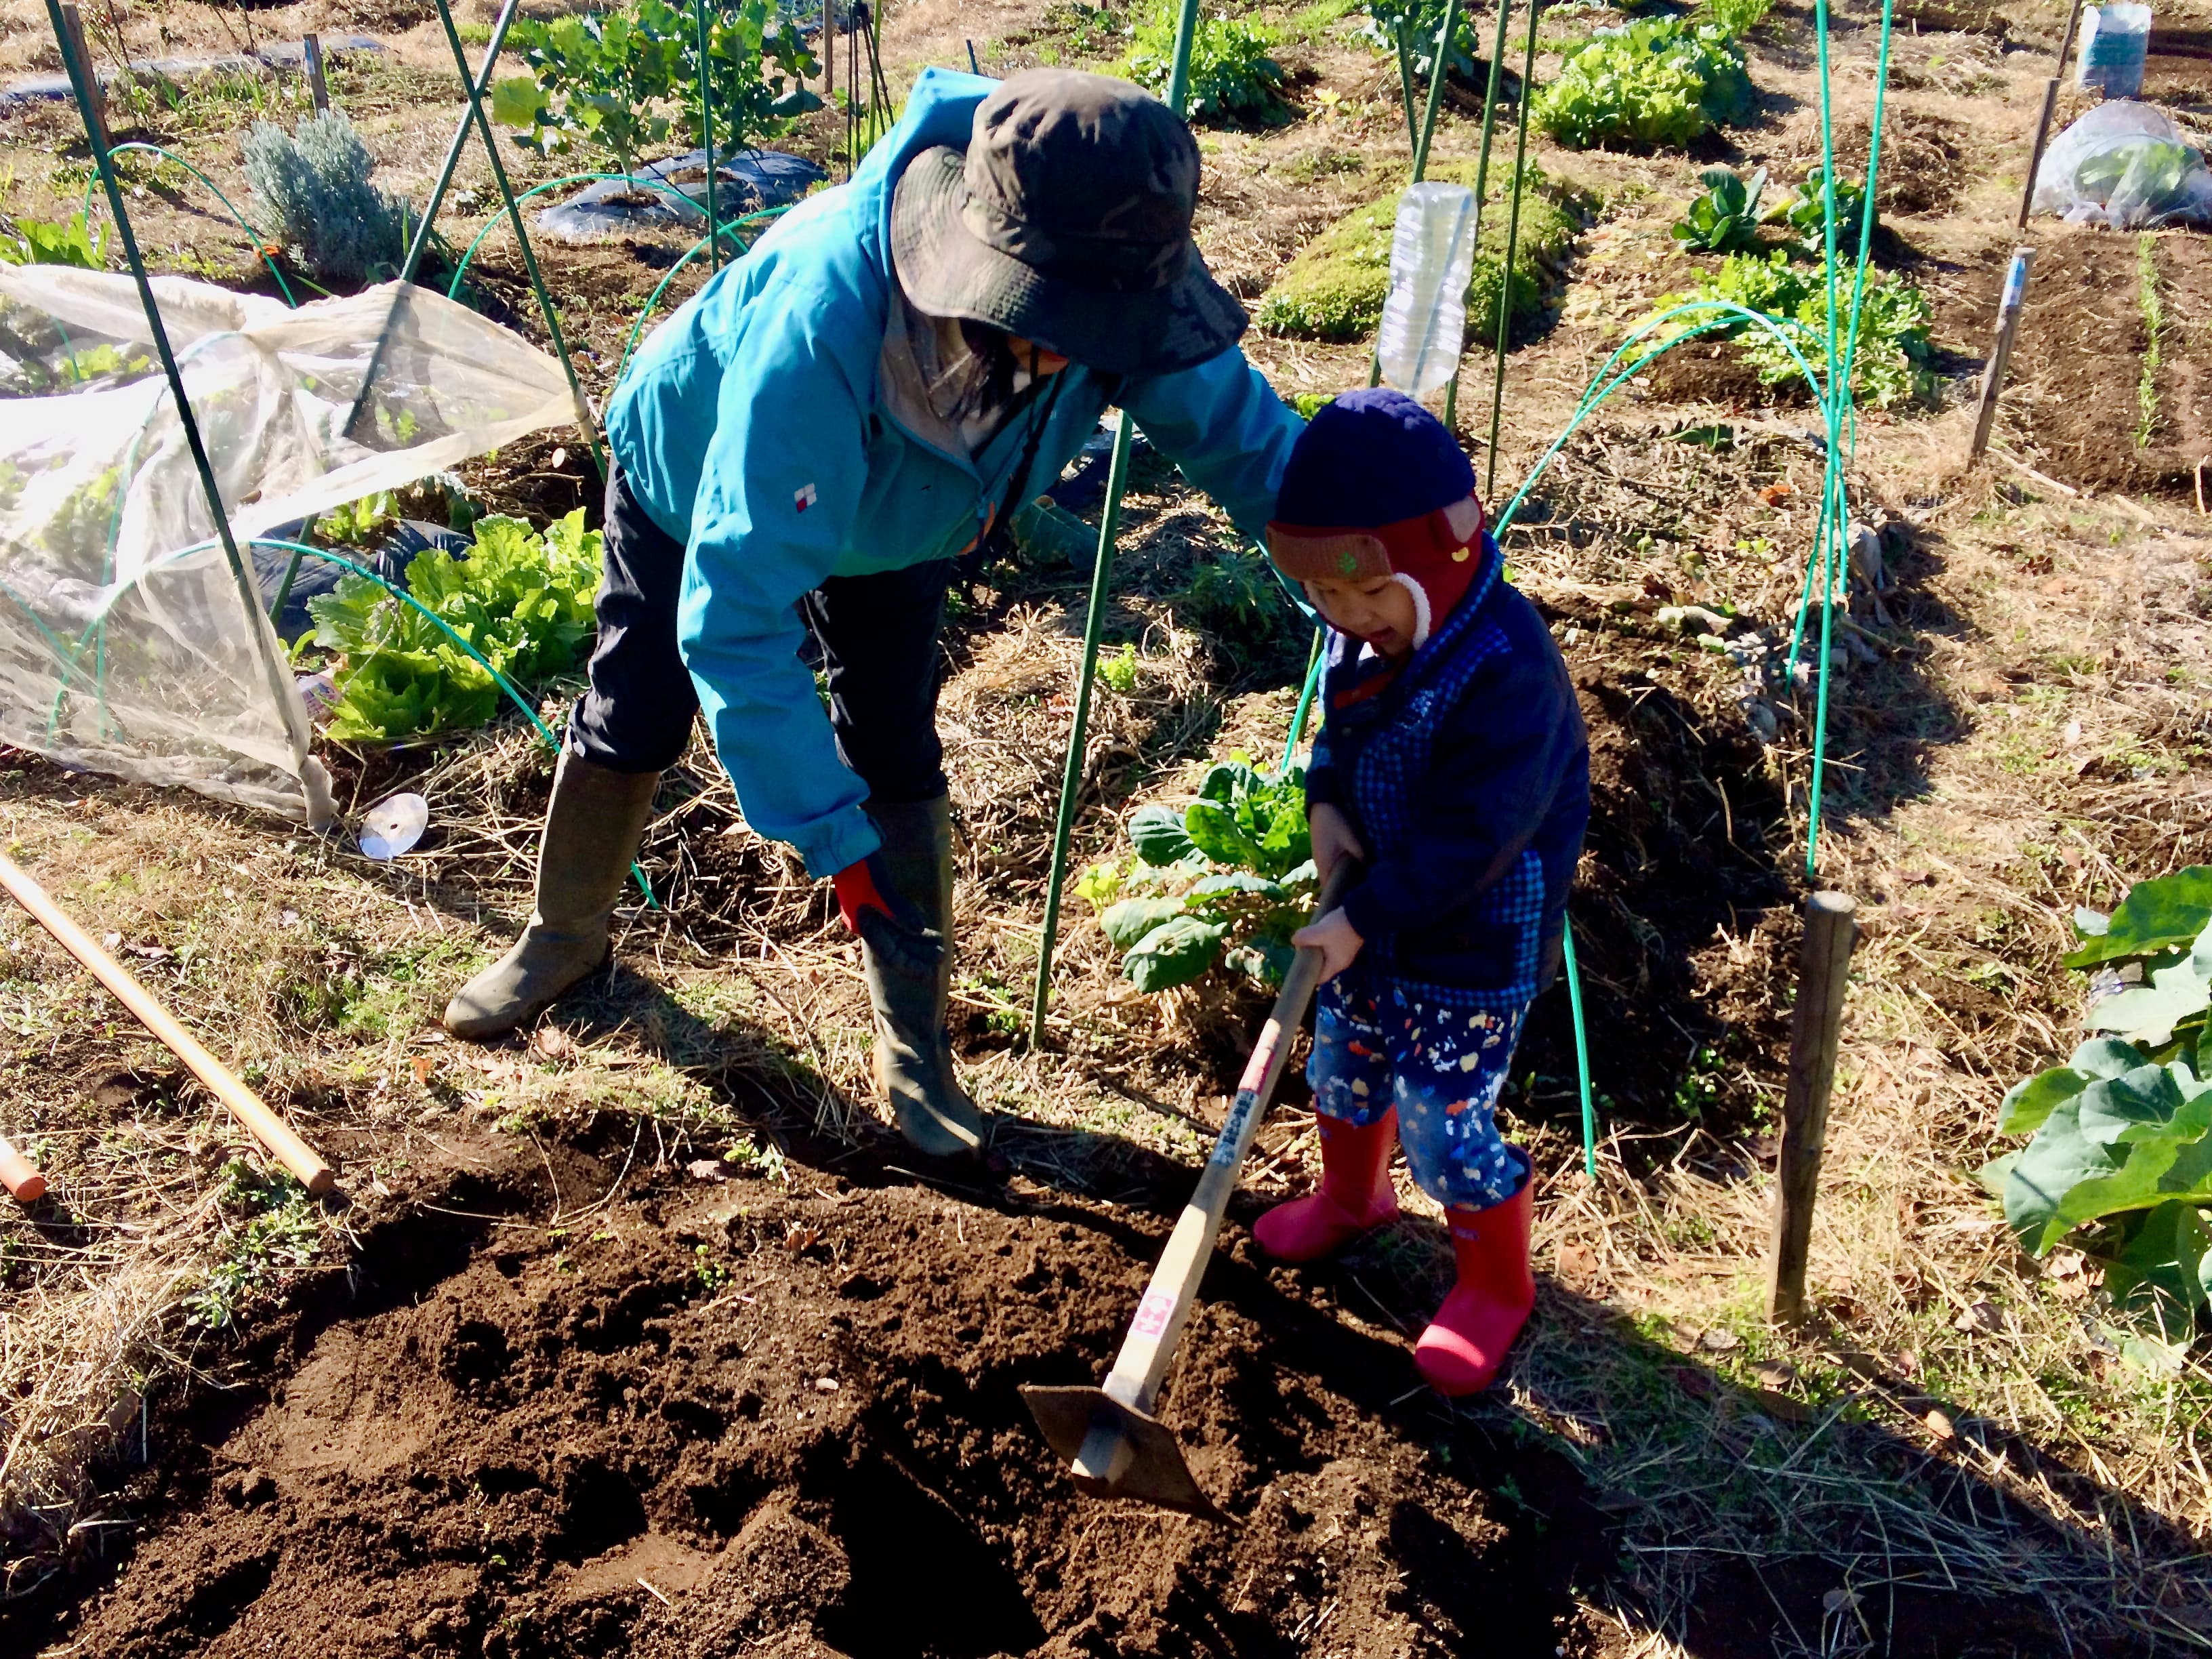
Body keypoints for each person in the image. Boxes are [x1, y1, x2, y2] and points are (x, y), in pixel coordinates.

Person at [441, 68, 1305, 1162]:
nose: (1071, 354)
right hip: (702, 475)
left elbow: (1253, 447)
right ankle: (562, 935)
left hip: (909, 513)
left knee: (893, 734)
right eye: (1048, 323)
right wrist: (832, 842)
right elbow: (737, 617)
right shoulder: (825, 316)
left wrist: (1379, 565)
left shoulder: (1116, 275)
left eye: (1095, 330)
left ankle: (915, 1044)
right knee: (639, 703)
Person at [1253, 389, 1589, 1396]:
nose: (1350, 618)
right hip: (1374, 919)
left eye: (1370, 596)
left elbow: (1475, 841)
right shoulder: (1360, 637)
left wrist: (1359, 917)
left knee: (1443, 1123)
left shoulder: (1507, 669)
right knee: (1343, 1070)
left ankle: (1494, 1286)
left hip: (1470, 940)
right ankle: (1353, 1200)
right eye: (1325, 596)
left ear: (1437, 562)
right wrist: (1325, 805)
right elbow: (1338, 733)